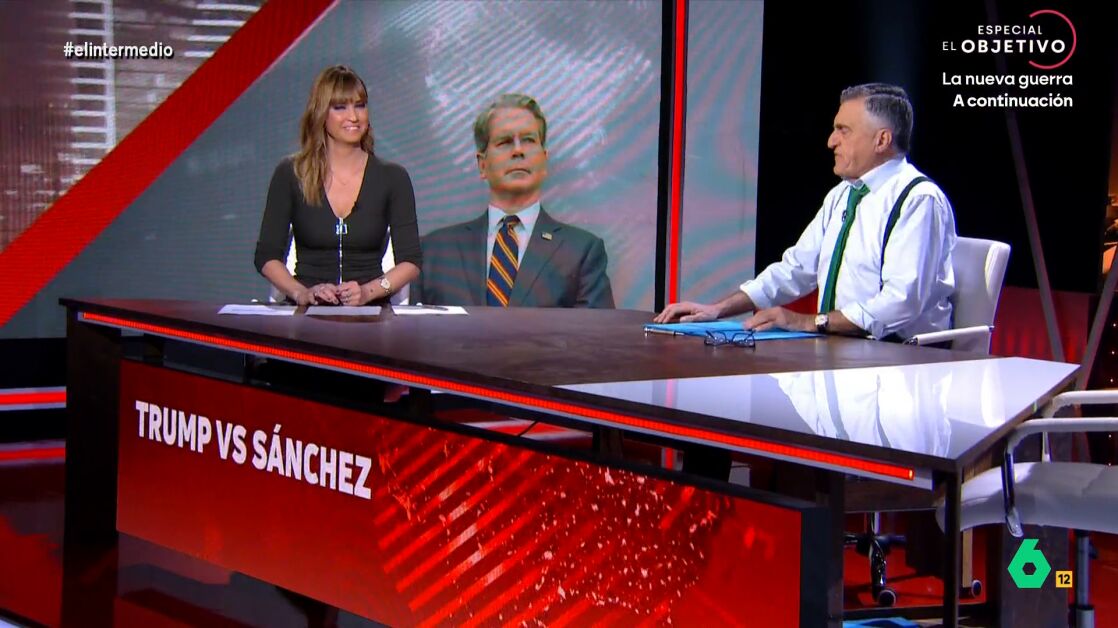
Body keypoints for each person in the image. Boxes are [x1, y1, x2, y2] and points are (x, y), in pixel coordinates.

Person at [655, 83, 956, 343]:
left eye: (843, 131)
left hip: (900, 357)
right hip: (839, 348)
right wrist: (717, 310)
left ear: (882, 140)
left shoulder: (919, 200)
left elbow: (901, 302)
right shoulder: (843, 194)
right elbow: (795, 270)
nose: (831, 141)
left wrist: (809, 322)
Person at [413, 93, 614, 308]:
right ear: (482, 165)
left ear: (544, 160)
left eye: (528, 140)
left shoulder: (581, 251)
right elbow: (409, 327)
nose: (518, 151)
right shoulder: (434, 251)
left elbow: (596, 329)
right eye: (505, 142)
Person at [254, 65, 422, 306]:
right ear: (321, 113)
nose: (353, 117)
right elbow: (266, 255)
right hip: (307, 310)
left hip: (371, 311)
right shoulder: (291, 173)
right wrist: (301, 293)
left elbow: (411, 260)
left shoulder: (393, 177)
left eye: (360, 105)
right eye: (340, 107)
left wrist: (368, 292)